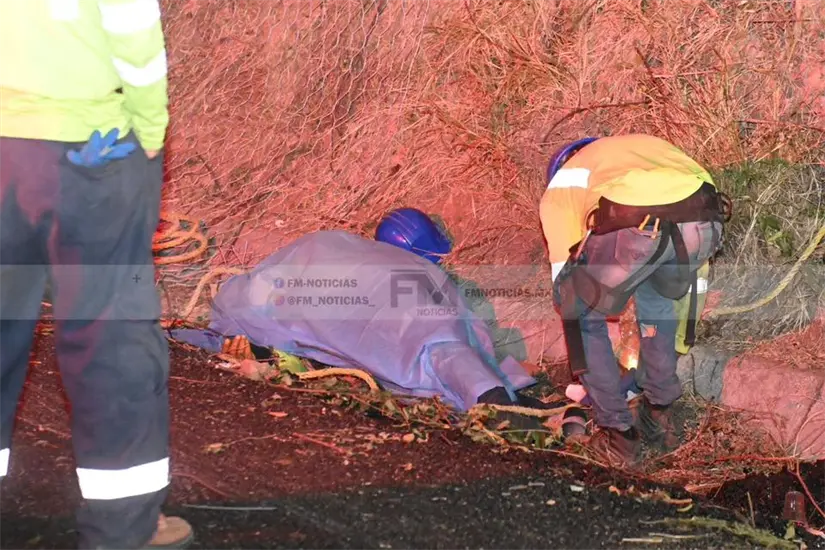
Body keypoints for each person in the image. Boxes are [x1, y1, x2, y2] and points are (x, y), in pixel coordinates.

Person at [0, 1, 193, 549]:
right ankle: (122, 529)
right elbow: (132, 30)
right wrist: (151, 126)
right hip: (90, 148)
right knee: (108, 334)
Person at [540, 134, 730, 467]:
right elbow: (695, 284)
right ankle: (660, 415)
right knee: (657, 299)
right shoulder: (641, 150)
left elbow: (567, 281)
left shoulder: (560, 189)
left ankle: (618, 435)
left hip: (634, 220)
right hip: (704, 212)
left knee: (580, 314)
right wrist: (683, 338)